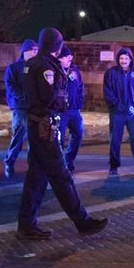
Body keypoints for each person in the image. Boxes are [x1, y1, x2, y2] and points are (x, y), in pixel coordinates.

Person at [16, 28, 108, 240]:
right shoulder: (46, 66)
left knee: (36, 179)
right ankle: (82, 221)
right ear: (56, 46)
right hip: (45, 126)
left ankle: (26, 224)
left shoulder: (32, 64)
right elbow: (50, 96)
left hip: (38, 125)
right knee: (61, 176)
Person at [103, 47, 134, 176]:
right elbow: (108, 92)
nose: (124, 61)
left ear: (130, 59)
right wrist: (117, 105)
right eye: (121, 58)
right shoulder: (111, 73)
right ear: (118, 60)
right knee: (115, 140)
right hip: (117, 113)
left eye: (126, 58)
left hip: (133, 113)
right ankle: (113, 166)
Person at [4, 39, 39, 178]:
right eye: (33, 50)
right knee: (18, 137)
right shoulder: (14, 68)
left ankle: (32, 166)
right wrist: (22, 96)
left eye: (37, 50)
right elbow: (10, 85)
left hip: (34, 107)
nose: (35, 53)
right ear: (25, 51)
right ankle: (9, 162)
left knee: (33, 138)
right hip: (20, 107)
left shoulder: (37, 67)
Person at [58, 45, 84, 173]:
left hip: (74, 110)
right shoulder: (55, 71)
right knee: (59, 138)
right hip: (61, 111)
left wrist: (79, 102)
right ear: (59, 58)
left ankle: (69, 159)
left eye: (70, 57)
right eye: (67, 57)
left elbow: (80, 87)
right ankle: (59, 163)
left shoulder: (75, 70)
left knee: (78, 134)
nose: (70, 59)